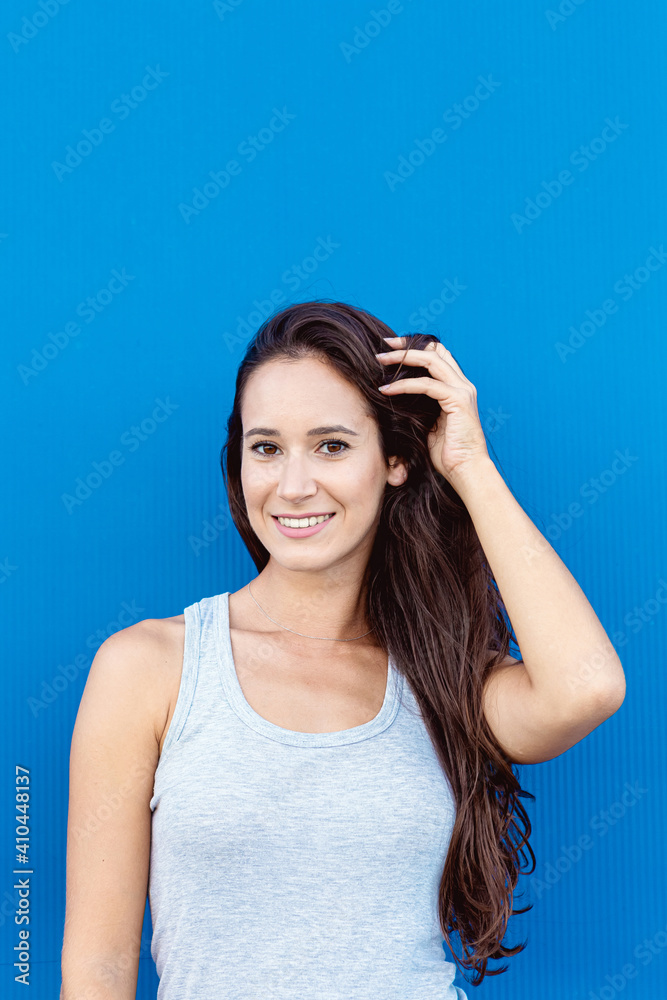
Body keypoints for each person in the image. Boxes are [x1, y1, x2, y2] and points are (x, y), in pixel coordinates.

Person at [60, 299, 626, 999]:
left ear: (393, 461)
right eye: (265, 448)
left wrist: (468, 463)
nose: (293, 486)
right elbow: (98, 970)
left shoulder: (436, 678)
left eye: (331, 445)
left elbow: (585, 687)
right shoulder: (147, 668)